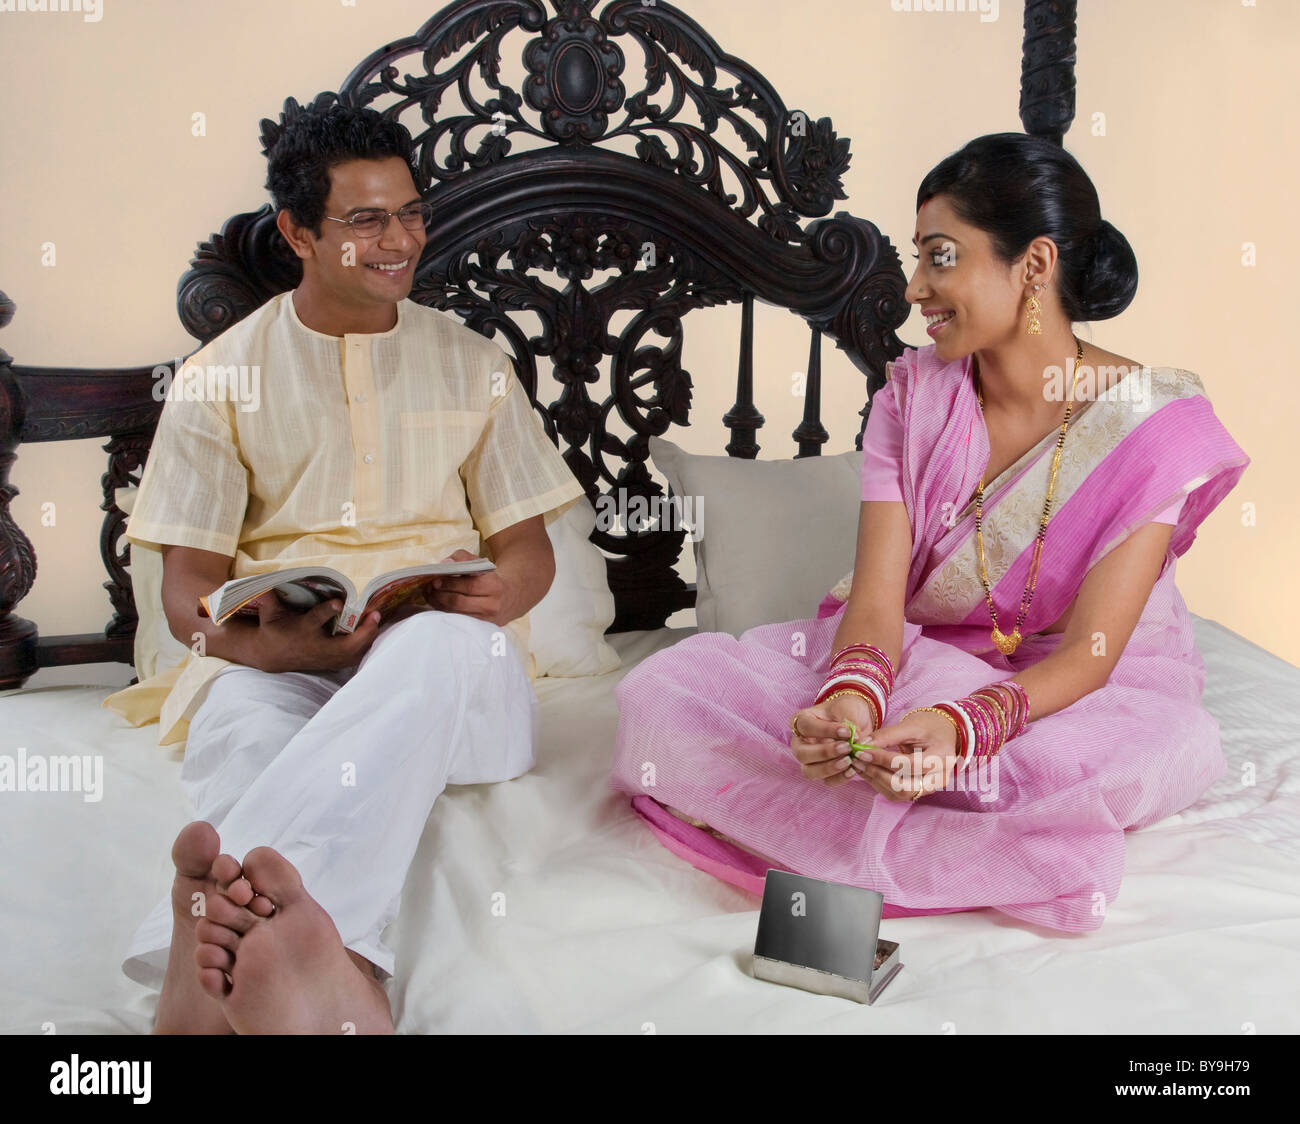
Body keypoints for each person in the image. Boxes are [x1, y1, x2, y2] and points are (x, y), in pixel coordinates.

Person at [609, 133, 1250, 932]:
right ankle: (918, 800)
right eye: (917, 259)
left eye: (940, 257)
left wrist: (960, 727)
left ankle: (894, 805)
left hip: (1078, 685)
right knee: (663, 693)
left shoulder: (1152, 427)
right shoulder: (913, 398)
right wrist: (848, 709)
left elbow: (1092, 655)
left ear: (1035, 265)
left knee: (1075, 763)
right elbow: (877, 601)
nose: (915, 289)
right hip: (919, 661)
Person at [104, 103, 583, 1032]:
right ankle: (333, 971)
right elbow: (184, 593)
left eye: (410, 213)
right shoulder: (220, 379)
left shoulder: (473, 363)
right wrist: (270, 650)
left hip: (457, 678)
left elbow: (527, 552)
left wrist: (498, 590)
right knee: (240, 726)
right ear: (298, 233)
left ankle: (199, 959)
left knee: (435, 647)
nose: (401, 240)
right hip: (285, 670)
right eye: (366, 221)